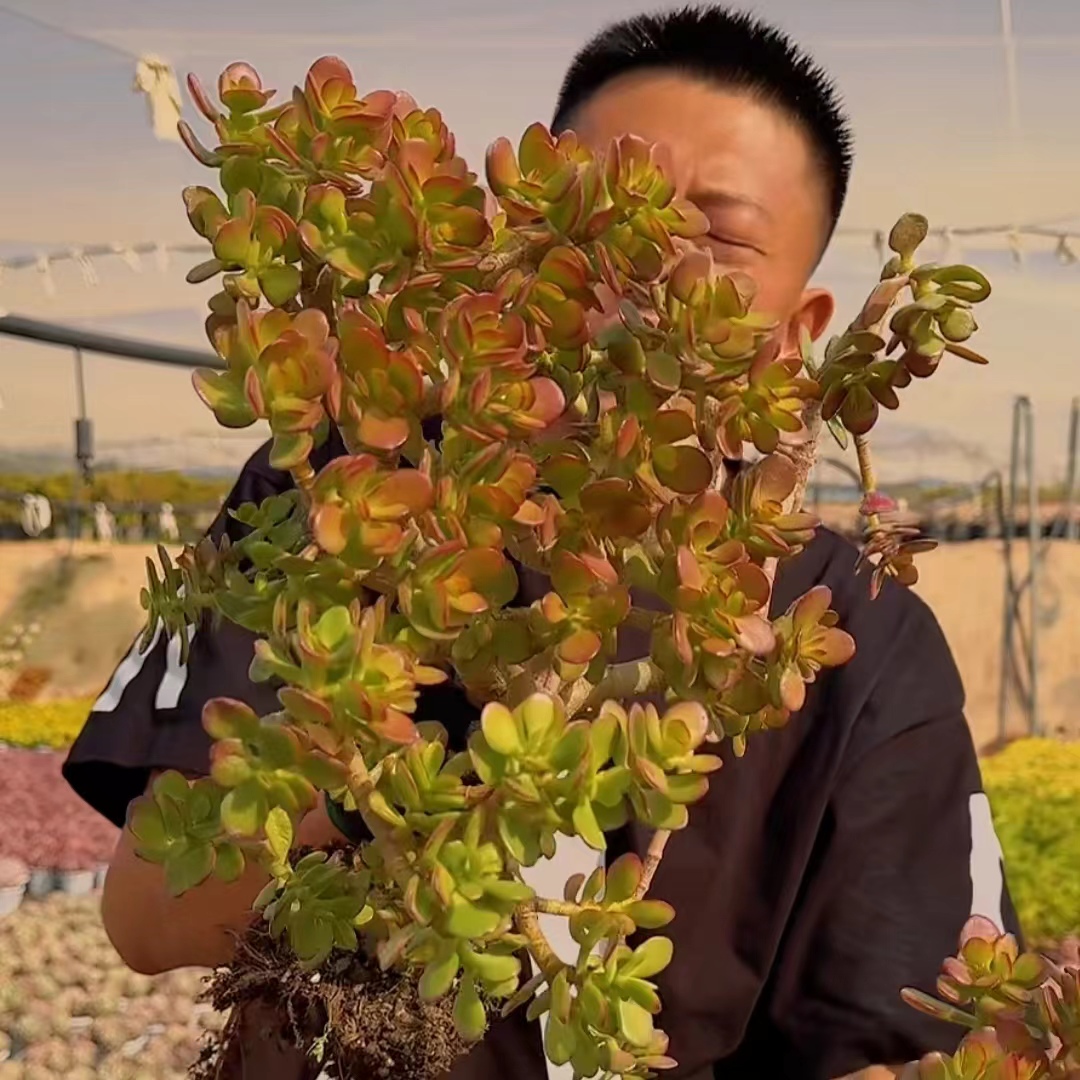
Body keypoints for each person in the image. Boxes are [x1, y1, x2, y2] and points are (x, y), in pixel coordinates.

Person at [64, 7, 1020, 1080]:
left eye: (712, 233)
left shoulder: (864, 640)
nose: (641, 259)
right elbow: (145, 921)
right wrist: (362, 761)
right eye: (589, 215)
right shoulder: (336, 497)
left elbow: (889, 1041)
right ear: (508, 238)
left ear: (799, 336)